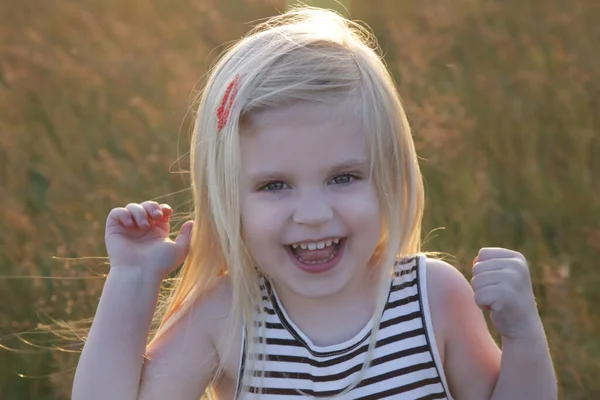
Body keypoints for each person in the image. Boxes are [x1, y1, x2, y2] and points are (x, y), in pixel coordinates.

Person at [71, 7, 557, 400]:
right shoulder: (227, 318)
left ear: (389, 174)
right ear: (227, 198)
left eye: (343, 177)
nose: (313, 213)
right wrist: (132, 282)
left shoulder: (433, 298)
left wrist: (522, 336)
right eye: (275, 185)